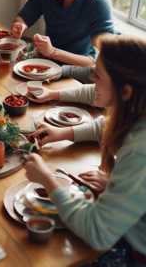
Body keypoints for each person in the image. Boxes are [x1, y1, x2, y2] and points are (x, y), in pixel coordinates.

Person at [24, 35, 146, 265]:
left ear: (126, 91)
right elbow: (104, 123)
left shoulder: (141, 153)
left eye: (97, 76)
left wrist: (48, 180)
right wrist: (65, 133)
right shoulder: (137, 109)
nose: (92, 80)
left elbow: (97, 232)